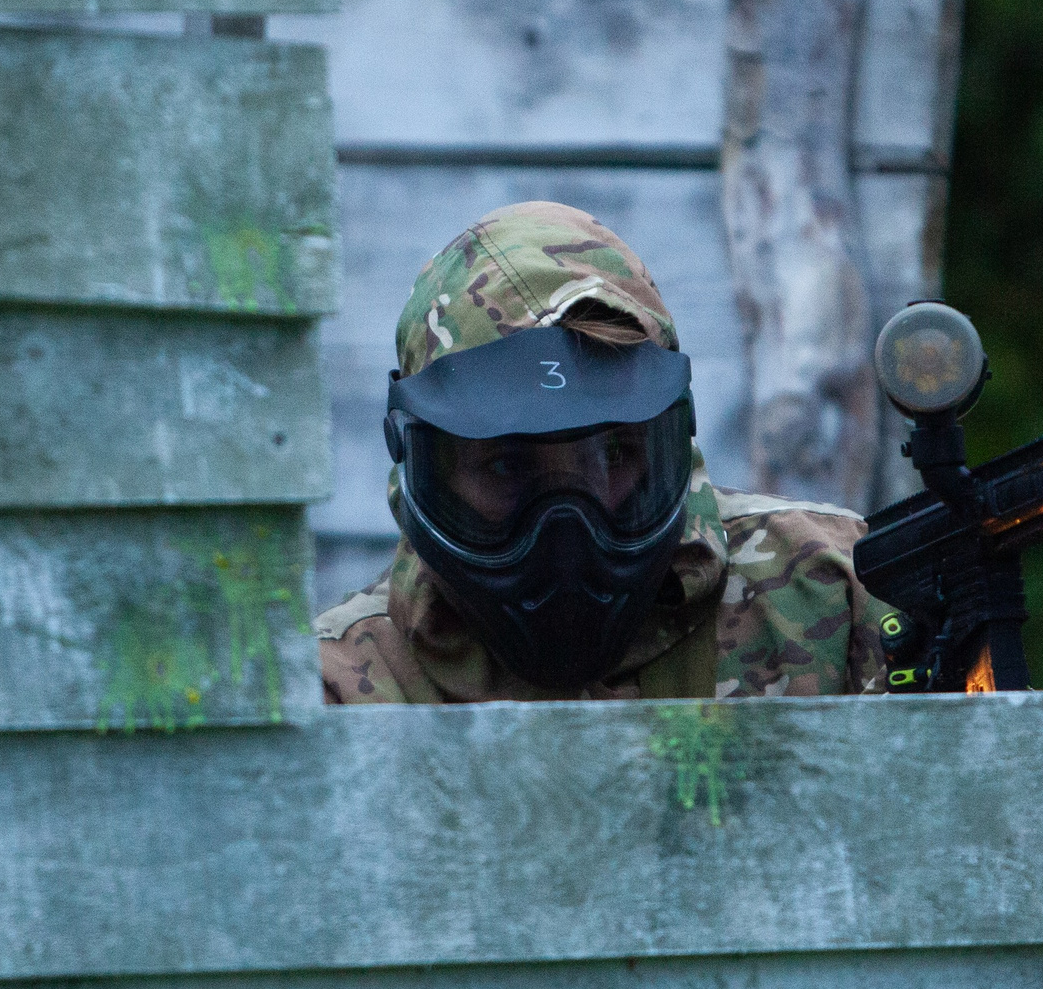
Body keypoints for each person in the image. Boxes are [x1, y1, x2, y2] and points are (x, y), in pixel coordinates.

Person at [316, 201, 898, 703]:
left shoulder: (839, 591)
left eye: (615, 454)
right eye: (507, 466)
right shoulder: (341, 689)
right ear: (423, 468)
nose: (567, 534)